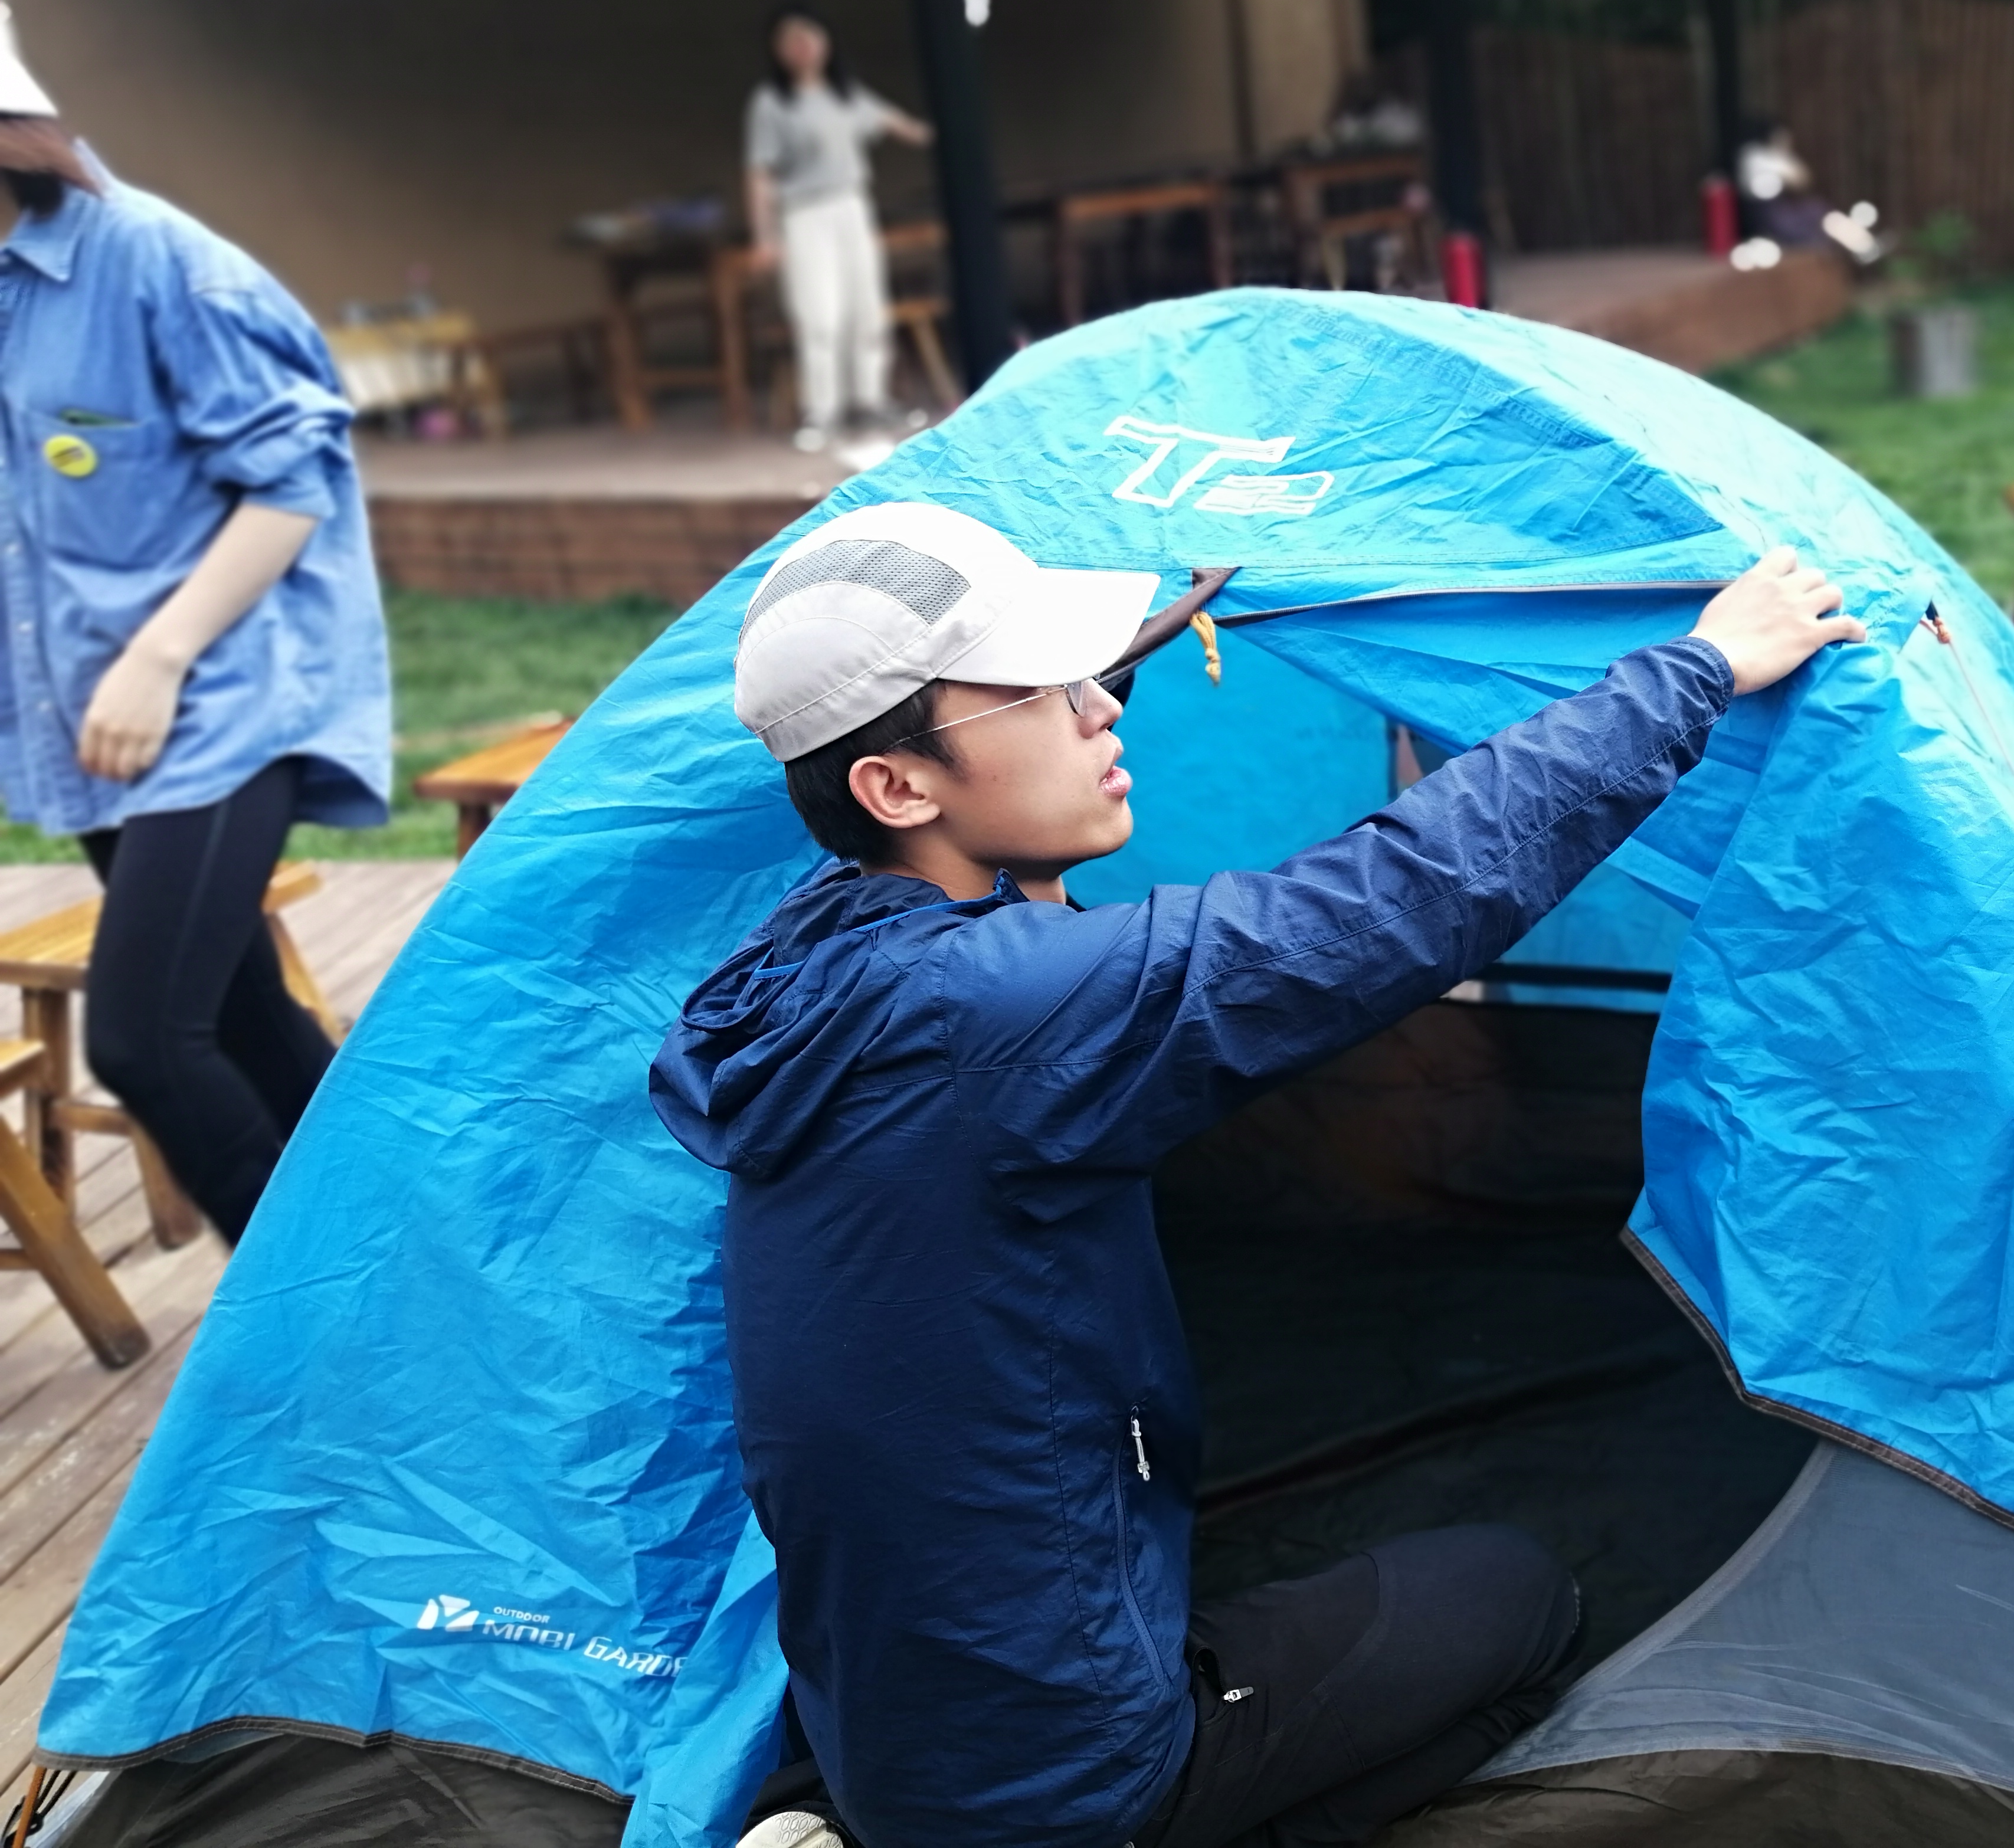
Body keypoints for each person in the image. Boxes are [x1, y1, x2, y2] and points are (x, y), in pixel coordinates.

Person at [650, 502, 1866, 1848]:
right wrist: (1696, 667)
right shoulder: (997, 1009)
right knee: (1520, 1594)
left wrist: (1162, 617)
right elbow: (1392, 895)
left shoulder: (817, 954)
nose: (1099, 712)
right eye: (1045, 691)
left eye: (1092, 677)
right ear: (896, 789)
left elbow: (1017, 793)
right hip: (1063, 1776)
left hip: (891, 1733)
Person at [0, 2, 391, 1245]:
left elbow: (292, 485)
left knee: (144, 1041)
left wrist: (160, 657)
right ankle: (398, 1255)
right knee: (239, 1016)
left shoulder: (158, 263)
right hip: (97, 712)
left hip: (222, 692)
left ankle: (302, 1323)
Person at [745, 5, 935, 455]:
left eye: (810, 36)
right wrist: (764, 236)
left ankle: (870, 400)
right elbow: (759, 173)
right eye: (791, 40)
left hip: (851, 205)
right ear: (778, 50)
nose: (803, 47)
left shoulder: (847, 95)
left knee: (866, 307)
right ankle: (822, 412)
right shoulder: (772, 103)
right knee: (819, 314)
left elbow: (901, 126)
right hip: (804, 213)